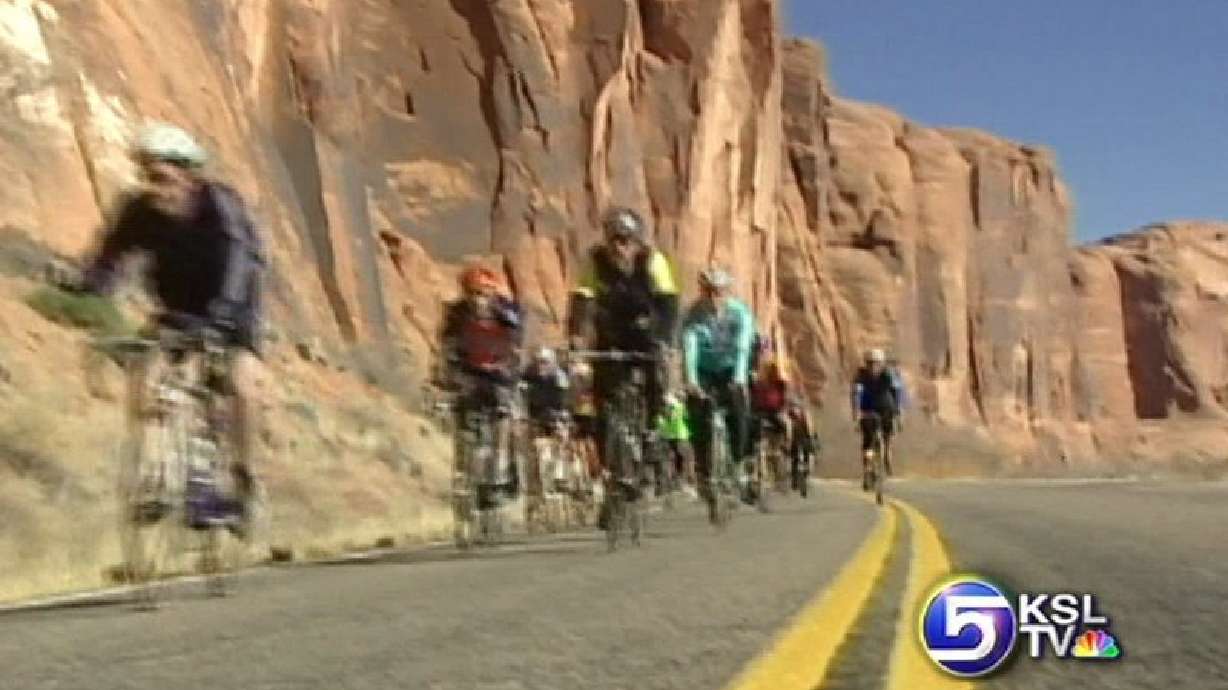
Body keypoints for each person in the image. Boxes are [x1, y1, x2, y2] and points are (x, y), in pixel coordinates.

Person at [73, 122, 265, 535]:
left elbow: (239, 257)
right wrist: (90, 285)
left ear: (189, 175)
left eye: (161, 177)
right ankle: (157, 475)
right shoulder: (138, 210)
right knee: (149, 373)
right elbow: (109, 257)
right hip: (176, 306)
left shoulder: (220, 205)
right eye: (145, 176)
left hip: (233, 303)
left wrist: (224, 315)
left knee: (240, 383)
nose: (152, 187)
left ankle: (242, 479)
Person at [567, 206, 679, 478]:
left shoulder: (652, 260)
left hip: (646, 328)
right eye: (613, 240)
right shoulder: (595, 261)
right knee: (601, 393)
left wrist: (663, 339)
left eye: (625, 240)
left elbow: (668, 304)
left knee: (655, 371)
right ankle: (608, 464)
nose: (619, 247)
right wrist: (577, 338)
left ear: (636, 241)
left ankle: (653, 428)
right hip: (612, 331)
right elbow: (582, 301)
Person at [440, 264, 524, 499]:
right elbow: (446, 344)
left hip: (499, 374)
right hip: (469, 373)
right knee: (461, 416)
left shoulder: (505, 310)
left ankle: (500, 469)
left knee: (503, 414)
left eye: (483, 293)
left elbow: (516, 338)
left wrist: (508, 364)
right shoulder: (457, 313)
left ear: (492, 292)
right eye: (472, 292)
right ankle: (462, 471)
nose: (478, 299)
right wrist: (445, 373)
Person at [680, 266, 756, 521]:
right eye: (709, 292)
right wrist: (692, 381)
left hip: (731, 368)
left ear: (727, 292)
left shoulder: (740, 313)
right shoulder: (693, 315)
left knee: (739, 413)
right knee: (697, 416)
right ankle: (703, 471)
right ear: (702, 292)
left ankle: (738, 462)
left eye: (719, 292)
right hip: (704, 370)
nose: (714, 298)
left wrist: (739, 377)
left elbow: (743, 347)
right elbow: (689, 348)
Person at [851, 348, 906, 486]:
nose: (873, 367)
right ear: (866, 364)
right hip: (869, 409)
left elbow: (897, 393)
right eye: (870, 363)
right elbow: (856, 394)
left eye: (876, 363)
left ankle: (886, 453)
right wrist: (856, 414)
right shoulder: (861, 375)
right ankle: (867, 469)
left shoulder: (888, 374)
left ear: (881, 364)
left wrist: (899, 413)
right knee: (868, 442)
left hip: (886, 408)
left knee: (886, 435)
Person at [655, 392, 696, 497]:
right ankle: (687, 484)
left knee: (676, 461)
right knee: (687, 460)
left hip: (670, 439)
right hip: (681, 437)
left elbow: (660, 426)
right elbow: (687, 416)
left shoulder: (663, 413)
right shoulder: (679, 407)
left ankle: (675, 483)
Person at [787, 398, 818, 491]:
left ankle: (800, 476)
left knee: (800, 458)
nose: (795, 409)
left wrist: (812, 437)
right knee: (797, 458)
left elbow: (810, 428)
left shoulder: (803, 415)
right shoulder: (791, 416)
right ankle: (797, 478)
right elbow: (789, 431)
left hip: (802, 439)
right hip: (797, 440)